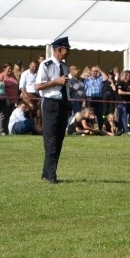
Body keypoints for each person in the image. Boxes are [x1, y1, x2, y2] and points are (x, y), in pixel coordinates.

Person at [35, 37, 72, 184]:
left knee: (59, 139)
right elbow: (38, 86)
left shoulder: (64, 66)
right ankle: (52, 175)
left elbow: (65, 86)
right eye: (66, 50)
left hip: (62, 103)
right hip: (50, 103)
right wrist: (56, 81)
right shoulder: (46, 65)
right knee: (51, 139)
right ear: (58, 50)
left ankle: (47, 171)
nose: (68, 52)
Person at [19, 60, 41, 132]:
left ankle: (39, 129)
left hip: (37, 95)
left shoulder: (39, 73)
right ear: (29, 66)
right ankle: (29, 129)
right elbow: (22, 87)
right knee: (29, 111)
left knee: (39, 113)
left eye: (36, 67)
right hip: (28, 94)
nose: (34, 69)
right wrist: (28, 100)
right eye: (33, 67)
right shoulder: (25, 74)